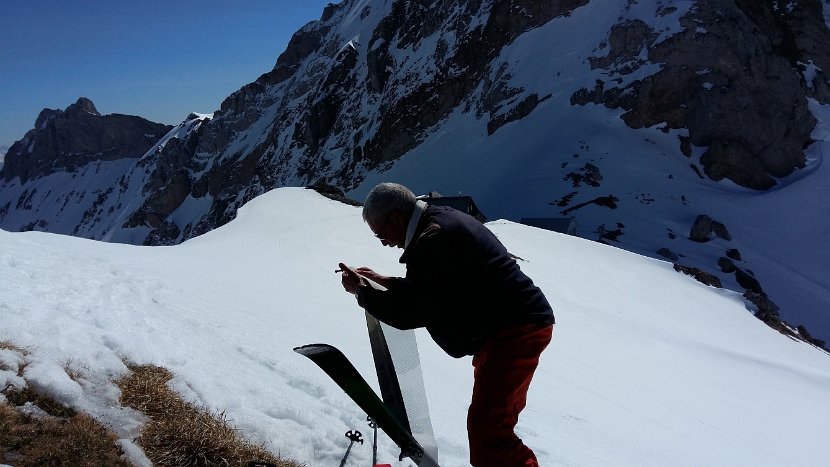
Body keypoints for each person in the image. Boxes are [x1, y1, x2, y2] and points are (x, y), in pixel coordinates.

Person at [339, 182, 555, 467]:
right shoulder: (438, 222)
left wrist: (362, 293)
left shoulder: (433, 238)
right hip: (509, 327)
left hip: (514, 331)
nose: (386, 243)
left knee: (489, 430)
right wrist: (385, 281)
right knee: (491, 425)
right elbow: (431, 288)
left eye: (381, 235)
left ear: (396, 218)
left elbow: (413, 312)